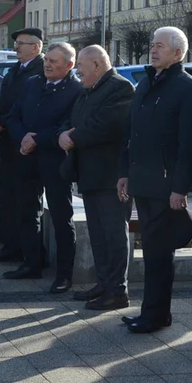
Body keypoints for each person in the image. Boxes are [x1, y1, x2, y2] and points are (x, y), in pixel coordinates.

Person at [118, 27, 192, 334]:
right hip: (142, 181)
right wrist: (124, 173)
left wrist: (181, 187)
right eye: (152, 45)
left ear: (177, 53)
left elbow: (188, 144)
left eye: (160, 46)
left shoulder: (188, 89)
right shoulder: (146, 83)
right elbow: (131, 135)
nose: (153, 50)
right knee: (153, 250)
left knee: (159, 253)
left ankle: (156, 315)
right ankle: (151, 312)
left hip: (166, 184)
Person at [59, 45, 135, 310]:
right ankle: (104, 284)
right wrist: (64, 133)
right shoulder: (88, 90)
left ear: (97, 65)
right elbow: (73, 119)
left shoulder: (120, 87)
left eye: (81, 64)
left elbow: (107, 125)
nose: (77, 70)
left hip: (111, 177)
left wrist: (72, 137)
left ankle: (117, 290)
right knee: (99, 235)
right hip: (91, 175)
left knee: (114, 235)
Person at [4, 42, 83, 292]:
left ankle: (64, 274)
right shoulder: (32, 83)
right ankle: (31, 263)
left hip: (55, 161)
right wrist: (24, 137)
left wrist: (35, 139)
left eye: (54, 61)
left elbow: (67, 125)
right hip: (26, 158)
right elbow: (13, 116)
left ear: (69, 66)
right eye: (47, 59)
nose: (48, 64)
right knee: (27, 211)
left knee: (61, 217)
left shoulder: (76, 91)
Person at [0, 27, 44, 262]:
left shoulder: (40, 71)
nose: (16, 47)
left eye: (21, 43)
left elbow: (26, 106)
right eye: (16, 43)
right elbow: (1, 99)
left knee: (27, 201)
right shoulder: (15, 70)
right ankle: (9, 245)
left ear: (36, 47)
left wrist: (4, 121)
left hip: (25, 146)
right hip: (7, 144)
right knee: (7, 197)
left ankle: (29, 252)